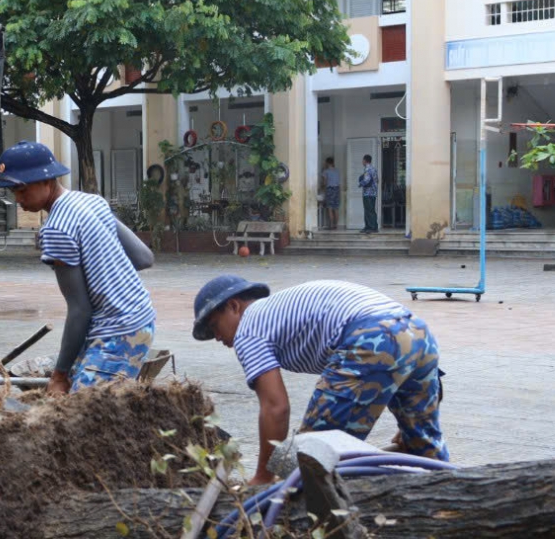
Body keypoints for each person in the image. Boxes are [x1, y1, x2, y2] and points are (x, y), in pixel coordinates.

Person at [191, 275, 448, 486]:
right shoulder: (277, 310)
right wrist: (413, 421)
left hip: (371, 335)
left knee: (305, 458)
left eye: (214, 326)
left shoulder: (248, 328)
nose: (216, 337)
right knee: (426, 452)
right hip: (418, 334)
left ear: (234, 306)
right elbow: (407, 351)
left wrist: (263, 477)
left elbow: (275, 408)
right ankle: (451, 508)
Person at [0, 142, 156, 394]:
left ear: (47, 180)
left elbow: (80, 310)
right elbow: (144, 258)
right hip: (142, 317)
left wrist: (59, 374)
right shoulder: (90, 201)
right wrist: (105, 270)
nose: (18, 200)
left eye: (22, 190)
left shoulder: (56, 229)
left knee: (82, 415)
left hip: (117, 332)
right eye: (13, 191)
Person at [358, 155, 379, 234]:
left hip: (368, 193)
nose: (362, 162)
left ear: (365, 160)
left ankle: (371, 227)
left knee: (368, 210)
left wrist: (360, 183)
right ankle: (370, 226)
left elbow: (366, 180)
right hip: (373, 193)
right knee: (371, 210)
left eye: (363, 160)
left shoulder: (367, 169)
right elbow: (377, 180)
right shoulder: (374, 169)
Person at [320, 157, 341, 230]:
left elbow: (325, 183)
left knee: (330, 208)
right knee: (336, 208)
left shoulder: (325, 171)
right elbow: (338, 183)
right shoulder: (337, 171)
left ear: (327, 163)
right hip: (337, 190)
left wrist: (322, 187)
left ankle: (332, 225)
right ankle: (337, 225)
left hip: (330, 190)